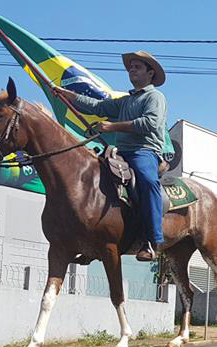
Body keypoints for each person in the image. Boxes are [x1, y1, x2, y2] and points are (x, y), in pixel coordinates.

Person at [54, 51, 168, 262]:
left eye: (137, 67)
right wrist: (67, 95)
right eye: (130, 67)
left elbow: (149, 123)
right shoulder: (124, 101)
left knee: (147, 181)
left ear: (150, 73)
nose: (131, 70)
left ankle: (152, 241)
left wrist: (111, 126)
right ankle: (92, 238)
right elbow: (97, 106)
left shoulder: (155, 97)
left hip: (144, 151)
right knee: (92, 178)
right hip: (122, 151)